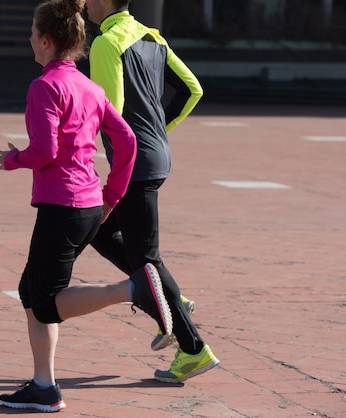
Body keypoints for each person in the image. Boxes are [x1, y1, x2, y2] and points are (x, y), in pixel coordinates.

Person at [0, 0, 174, 412]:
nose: (31, 41)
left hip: (63, 206)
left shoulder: (44, 86)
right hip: (89, 204)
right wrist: (111, 195)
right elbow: (128, 141)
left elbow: (45, 150)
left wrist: (12, 159)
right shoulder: (89, 87)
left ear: (45, 40)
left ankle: (133, 287)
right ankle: (43, 385)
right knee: (31, 291)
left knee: (45, 299)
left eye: (32, 34)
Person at [83, 0, 220, 383]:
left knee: (146, 257)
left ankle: (192, 347)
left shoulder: (106, 42)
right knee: (101, 231)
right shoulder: (152, 36)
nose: (86, 4)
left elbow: (110, 109)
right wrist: (159, 132)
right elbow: (192, 90)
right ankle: (166, 297)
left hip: (135, 163)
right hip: (156, 155)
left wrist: (81, 148)